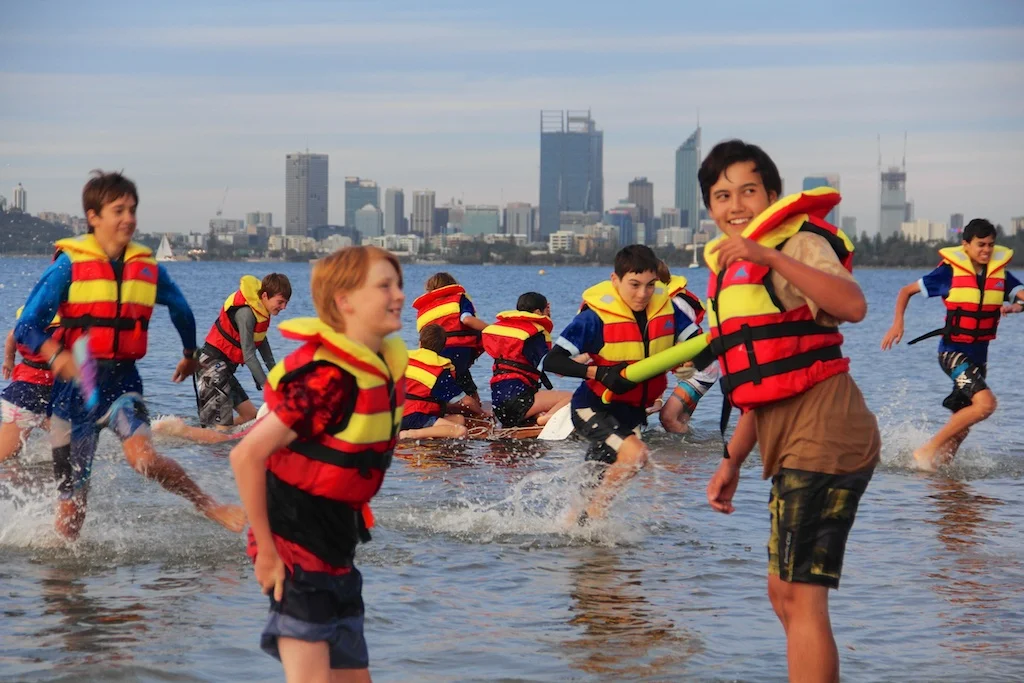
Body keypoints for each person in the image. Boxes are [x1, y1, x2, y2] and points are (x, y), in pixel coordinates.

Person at [700, 140, 880, 683]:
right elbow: (766, 380)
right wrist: (732, 460)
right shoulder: (730, 271)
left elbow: (853, 305)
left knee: (802, 598)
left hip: (828, 434)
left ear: (773, 195)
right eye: (722, 195)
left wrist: (771, 257)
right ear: (709, 207)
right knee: (783, 593)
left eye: (748, 191)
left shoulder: (797, 243)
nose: (736, 206)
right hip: (795, 441)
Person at [14, 170, 244, 540]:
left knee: (144, 460)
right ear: (94, 217)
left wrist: (189, 353)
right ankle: (60, 570)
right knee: (72, 510)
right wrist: (56, 354)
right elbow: (27, 325)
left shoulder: (146, 268)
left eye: (132, 210)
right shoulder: (69, 265)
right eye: (118, 210)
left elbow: (181, 310)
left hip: (122, 381)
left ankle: (209, 505)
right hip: (73, 394)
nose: (128, 219)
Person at [230, 245, 406, 682]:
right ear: (345, 301)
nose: (399, 295)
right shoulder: (328, 378)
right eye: (384, 286)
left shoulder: (378, 369)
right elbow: (246, 454)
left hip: (337, 549)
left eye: (398, 284)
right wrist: (266, 553)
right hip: (294, 549)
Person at [544, 245, 700, 520]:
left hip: (630, 413)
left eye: (651, 285)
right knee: (636, 455)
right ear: (615, 280)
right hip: (593, 408)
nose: (643, 294)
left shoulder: (668, 311)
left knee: (594, 481)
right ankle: (594, 518)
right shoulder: (594, 318)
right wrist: (599, 373)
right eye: (634, 285)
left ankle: (574, 528)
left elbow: (698, 345)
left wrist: (688, 363)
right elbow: (553, 361)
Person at [881, 218, 1024, 471]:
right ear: (966, 244)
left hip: (979, 358)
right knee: (986, 404)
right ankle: (925, 450)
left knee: (962, 425)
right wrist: (897, 323)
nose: (987, 250)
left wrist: (1016, 307)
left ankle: (941, 475)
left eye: (991, 245)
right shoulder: (949, 273)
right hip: (952, 353)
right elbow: (906, 291)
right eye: (981, 244)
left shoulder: (999, 274)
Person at [196, 273, 291, 430]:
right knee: (221, 432)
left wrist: (278, 378)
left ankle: (217, 432)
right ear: (265, 296)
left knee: (250, 417)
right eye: (280, 302)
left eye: (286, 303)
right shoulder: (246, 314)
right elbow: (249, 355)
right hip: (211, 367)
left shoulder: (261, 313)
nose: (284, 307)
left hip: (224, 371)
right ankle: (176, 431)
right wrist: (268, 388)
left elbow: (264, 348)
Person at [481, 292, 571, 429]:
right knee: (572, 397)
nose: (549, 313)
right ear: (538, 312)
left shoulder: (511, 335)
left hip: (499, 405)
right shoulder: (534, 335)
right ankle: (545, 420)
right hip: (519, 402)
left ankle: (538, 415)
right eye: (547, 309)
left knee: (535, 396)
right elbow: (556, 369)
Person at [654, 262, 721, 434]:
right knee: (679, 420)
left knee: (668, 418)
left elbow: (684, 341)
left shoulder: (678, 304)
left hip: (701, 371)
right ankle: (689, 448)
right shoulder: (662, 304)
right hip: (693, 371)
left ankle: (692, 448)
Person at [411, 272, 488, 412]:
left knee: (446, 387)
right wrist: (492, 330)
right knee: (463, 380)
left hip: (435, 354)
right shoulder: (458, 299)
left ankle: (447, 411)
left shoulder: (424, 309)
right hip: (460, 351)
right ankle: (480, 414)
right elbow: (466, 319)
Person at [0, 308, 62, 464]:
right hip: (30, 394)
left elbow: (12, 336)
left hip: (31, 393)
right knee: (6, 456)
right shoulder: (62, 332)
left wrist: (9, 360)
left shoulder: (26, 328)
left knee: (7, 458)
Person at [400, 324, 475, 440]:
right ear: (442, 348)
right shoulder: (439, 371)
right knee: (461, 431)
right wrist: (482, 413)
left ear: (420, 343)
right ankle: (410, 434)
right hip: (414, 417)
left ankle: (421, 433)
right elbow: (465, 401)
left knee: (459, 419)